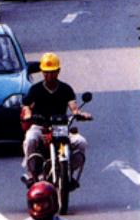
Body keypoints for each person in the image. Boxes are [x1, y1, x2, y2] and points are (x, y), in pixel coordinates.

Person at [21, 52, 90, 186]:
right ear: (42, 72)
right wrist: (29, 114)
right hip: (40, 126)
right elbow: (26, 105)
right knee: (30, 139)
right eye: (46, 72)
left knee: (81, 142)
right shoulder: (35, 90)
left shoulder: (66, 89)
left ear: (58, 71)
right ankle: (31, 174)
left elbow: (73, 108)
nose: (49, 75)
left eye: (53, 72)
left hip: (60, 127)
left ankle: (67, 172)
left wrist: (80, 114)